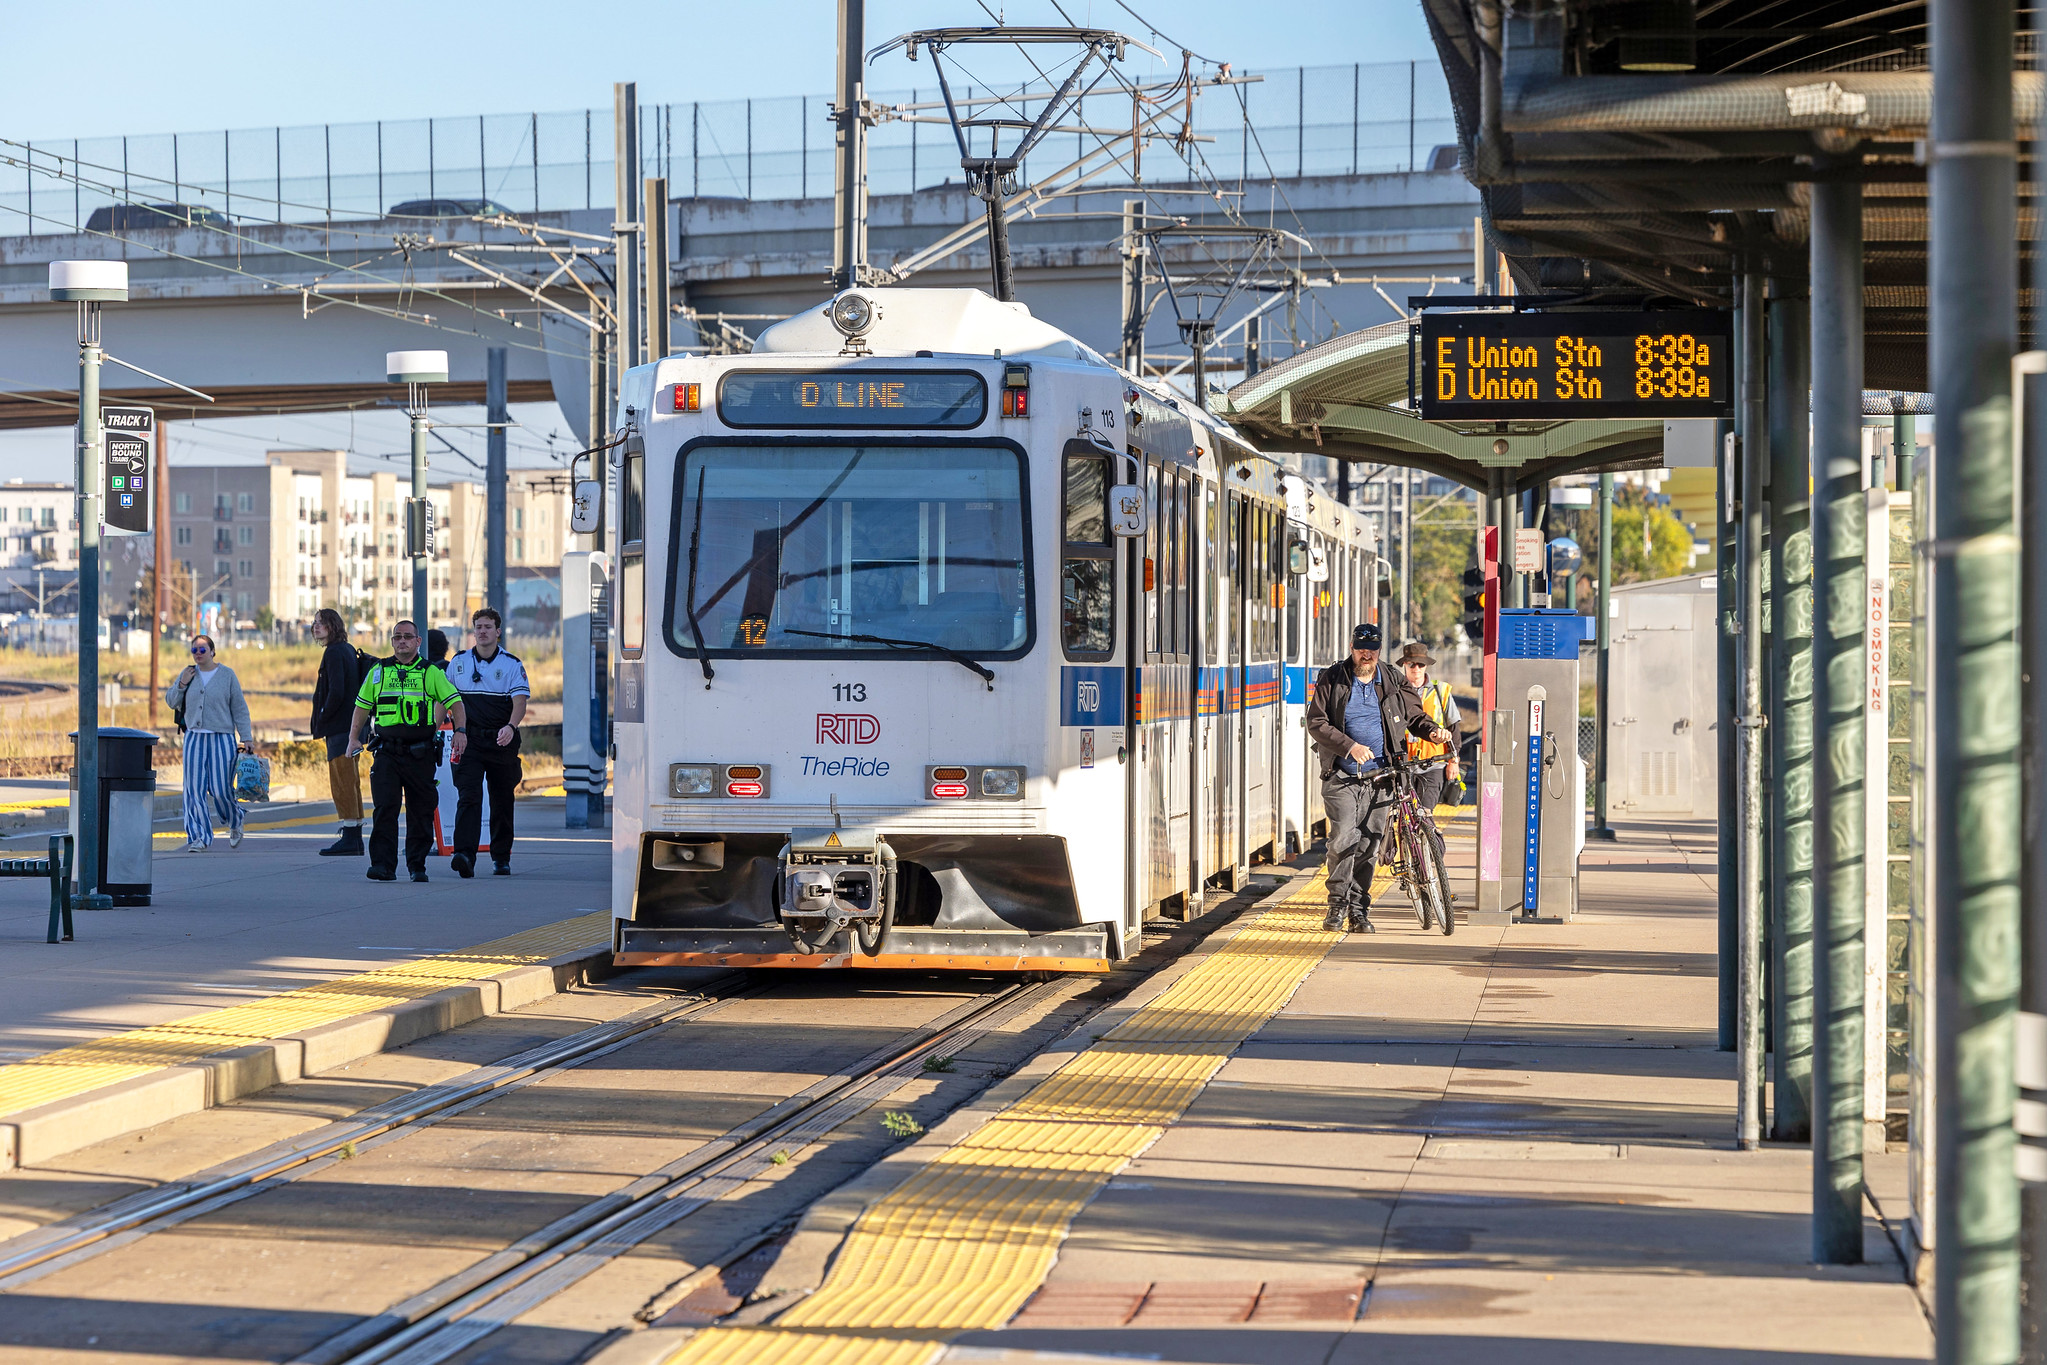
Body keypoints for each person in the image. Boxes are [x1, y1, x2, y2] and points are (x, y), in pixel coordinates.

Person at [1305, 623, 1444, 933]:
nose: (1365, 654)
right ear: (1352, 648)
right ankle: (1337, 903)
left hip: (1383, 776)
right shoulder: (1334, 678)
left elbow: (1415, 716)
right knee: (1344, 837)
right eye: (1359, 648)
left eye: (1371, 649)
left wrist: (1432, 731)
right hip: (1342, 774)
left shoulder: (1392, 679)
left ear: (1380, 650)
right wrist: (1349, 746)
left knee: (1369, 844)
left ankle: (1358, 910)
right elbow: (1316, 723)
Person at [345, 620, 467, 883]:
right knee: (385, 809)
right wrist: (353, 738)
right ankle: (382, 866)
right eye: (397, 637)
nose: (402, 641)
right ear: (392, 642)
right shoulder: (379, 671)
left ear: (418, 642)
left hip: (420, 753)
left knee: (420, 810)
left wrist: (460, 731)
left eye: (408, 637)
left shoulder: (430, 672)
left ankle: (417, 865)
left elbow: (454, 701)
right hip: (387, 752)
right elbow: (362, 706)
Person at [446, 607, 530, 878]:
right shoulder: (458, 664)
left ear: (497, 632)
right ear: (473, 632)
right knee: (468, 797)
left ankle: (501, 856)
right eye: (478, 627)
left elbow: (520, 701)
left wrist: (511, 726)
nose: (482, 631)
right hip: (468, 741)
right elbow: (443, 701)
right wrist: (437, 729)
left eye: (487, 627)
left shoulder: (511, 665)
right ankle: (464, 855)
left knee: (502, 798)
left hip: (501, 741)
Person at [163, 635, 253, 852]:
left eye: (202, 649)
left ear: (212, 651)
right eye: (194, 650)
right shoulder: (188, 674)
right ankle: (198, 837)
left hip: (222, 737)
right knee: (193, 789)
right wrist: (182, 684)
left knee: (221, 789)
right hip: (194, 737)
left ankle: (235, 818)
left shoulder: (227, 675)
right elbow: (171, 701)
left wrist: (246, 737)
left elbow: (239, 708)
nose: (198, 653)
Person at [310, 609, 368, 856]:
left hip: (340, 728)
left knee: (342, 782)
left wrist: (323, 716)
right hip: (352, 725)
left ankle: (350, 835)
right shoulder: (347, 649)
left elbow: (336, 691)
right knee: (350, 780)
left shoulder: (334, 652)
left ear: (333, 626)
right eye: (314, 623)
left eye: (320, 623)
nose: (315, 627)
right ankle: (354, 836)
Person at [1397, 642, 1463, 814]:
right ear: (1405, 664)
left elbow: (1454, 728)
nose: (1416, 668)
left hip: (1434, 762)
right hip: (1403, 763)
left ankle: (1428, 840)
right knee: (1403, 815)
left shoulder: (1440, 690)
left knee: (1425, 812)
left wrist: (1453, 761)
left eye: (1421, 664)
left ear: (1426, 666)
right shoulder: (1395, 692)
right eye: (1412, 664)